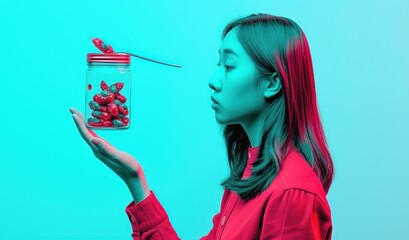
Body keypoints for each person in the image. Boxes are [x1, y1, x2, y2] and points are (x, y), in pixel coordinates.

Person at [70, 13, 334, 240]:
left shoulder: (292, 196)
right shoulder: (250, 175)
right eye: (219, 64)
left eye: (229, 66)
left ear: (272, 83)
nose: (213, 80)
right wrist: (135, 179)